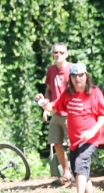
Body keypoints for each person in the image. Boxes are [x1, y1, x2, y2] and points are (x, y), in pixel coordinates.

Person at [34, 63, 104, 193]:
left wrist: (92, 131)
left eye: (80, 75)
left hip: (90, 139)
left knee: (81, 163)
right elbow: (54, 108)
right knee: (81, 172)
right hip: (75, 140)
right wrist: (41, 102)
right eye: (74, 76)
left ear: (86, 76)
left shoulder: (94, 93)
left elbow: (103, 115)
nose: (77, 78)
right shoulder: (68, 94)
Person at [44, 42, 73, 184]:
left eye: (61, 52)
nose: (58, 55)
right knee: (56, 143)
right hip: (56, 112)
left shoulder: (73, 69)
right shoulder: (51, 70)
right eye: (56, 52)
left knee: (73, 144)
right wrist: (45, 107)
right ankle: (66, 172)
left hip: (70, 113)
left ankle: (78, 173)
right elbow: (48, 90)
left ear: (66, 54)